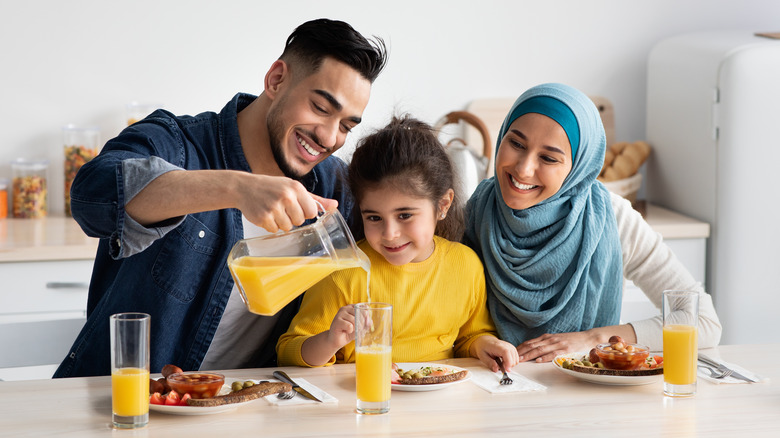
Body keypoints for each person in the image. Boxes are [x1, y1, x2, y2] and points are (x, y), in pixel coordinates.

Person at [53, 19, 388, 378]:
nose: (328, 137)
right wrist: (237, 188)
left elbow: (404, 233)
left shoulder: (331, 185)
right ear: (277, 80)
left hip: (247, 407)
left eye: (346, 126)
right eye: (321, 108)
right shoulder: (179, 144)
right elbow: (92, 196)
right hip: (129, 403)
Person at [464, 83, 722, 363]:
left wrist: (595, 339)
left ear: (578, 167)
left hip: (590, 391)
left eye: (549, 158)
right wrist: (479, 342)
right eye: (516, 144)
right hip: (492, 386)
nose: (524, 169)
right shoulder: (473, 213)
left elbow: (703, 321)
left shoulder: (611, 218)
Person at [276, 115, 519, 372]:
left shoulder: (466, 265)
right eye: (374, 217)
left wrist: (486, 344)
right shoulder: (344, 272)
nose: (389, 233)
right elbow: (288, 352)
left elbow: (469, 336)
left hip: (440, 401)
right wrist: (329, 341)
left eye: (405, 215)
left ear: (443, 205)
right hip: (365, 402)